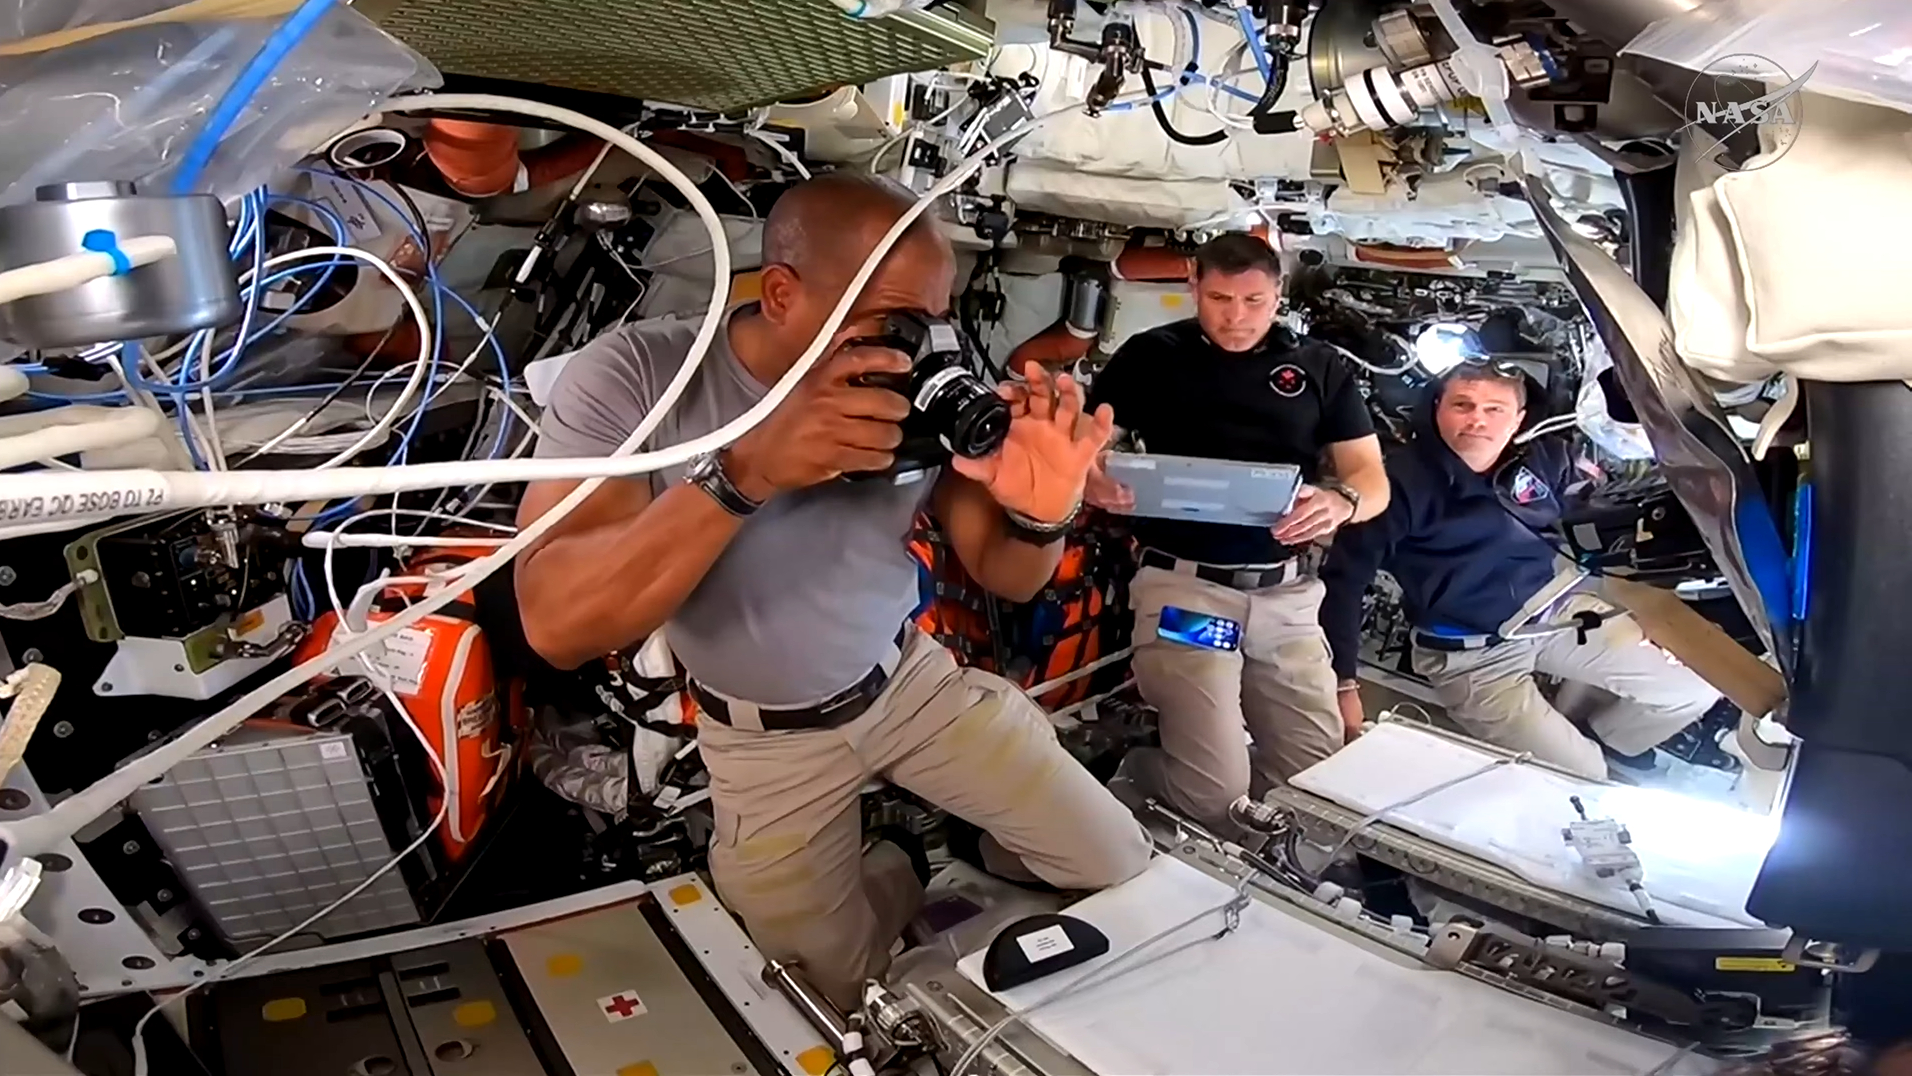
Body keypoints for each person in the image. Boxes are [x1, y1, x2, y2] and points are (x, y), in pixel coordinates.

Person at [514, 173, 1153, 1009]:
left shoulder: (920, 386)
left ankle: (948, 842)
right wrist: (744, 473)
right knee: (828, 994)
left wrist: (1043, 513)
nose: (916, 346)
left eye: (930, 318)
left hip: (912, 685)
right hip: (764, 739)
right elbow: (554, 623)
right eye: (889, 319)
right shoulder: (638, 376)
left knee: (1119, 868)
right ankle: (898, 862)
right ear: (781, 294)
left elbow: (1008, 572)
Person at [1085, 233, 1390, 837]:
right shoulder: (1152, 355)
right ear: (1194, 288)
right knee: (1214, 794)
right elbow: (1084, 445)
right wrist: (1091, 479)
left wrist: (1340, 501)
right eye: (1220, 298)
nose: (1237, 316)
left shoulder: (1318, 367)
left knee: (1321, 790)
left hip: (1288, 600)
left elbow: (1370, 479)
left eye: (1254, 300)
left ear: (1277, 294)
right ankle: (1133, 769)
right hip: (1188, 593)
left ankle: (1273, 859)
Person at [1319, 359, 1721, 779]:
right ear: (1437, 407)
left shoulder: (1545, 457)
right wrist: (1342, 681)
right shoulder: (1397, 485)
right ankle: (1584, 760)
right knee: (1583, 774)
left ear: (1519, 419)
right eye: (1462, 404)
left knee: (1693, 689)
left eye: (1494, 409)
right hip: (1473, 655)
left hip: (1555, 614)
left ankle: (1611, 742)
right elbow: (1343, 582)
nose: (1477, 419)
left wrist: (1653, 613)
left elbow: (1594, 520)